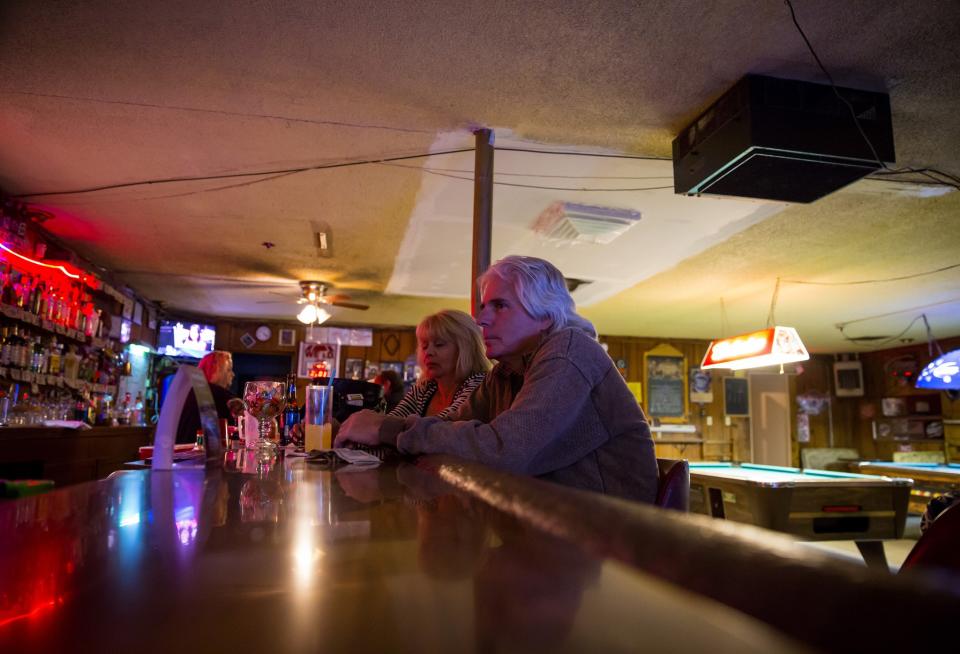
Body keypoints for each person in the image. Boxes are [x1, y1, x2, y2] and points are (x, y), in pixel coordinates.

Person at [336, 255, 659, 503]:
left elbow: (505, 450)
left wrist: (386, 428)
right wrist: (362, 434)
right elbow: (451, 429)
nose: (481, 319)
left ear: (545, 315)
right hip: (547, 525)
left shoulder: (569, 352)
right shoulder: (506, 372)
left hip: (612, 542)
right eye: (483, 306)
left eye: (500, 306)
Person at [389, 309, 491, 419]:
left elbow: (443, 426)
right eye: (424, 346)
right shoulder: (426, 388)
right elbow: (390, 421)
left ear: (465, 348)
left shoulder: (478, 383)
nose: (428, 352)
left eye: (439, 344)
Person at [175, 350, 240, 443]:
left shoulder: (188, 391)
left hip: (178, 451)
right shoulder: (221, 396)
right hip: (201, 453)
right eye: (228, 370)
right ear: (216, 370)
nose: (233, 375)